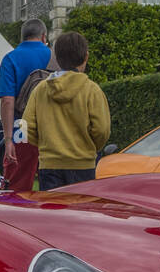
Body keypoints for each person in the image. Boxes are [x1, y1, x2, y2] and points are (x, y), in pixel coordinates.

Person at [22, 31, 111, 189]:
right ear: (86, 57)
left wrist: (45, 144)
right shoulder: (92, 90)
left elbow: (25, 128)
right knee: (80, 212)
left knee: (53, 213)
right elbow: (102, 130)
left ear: (56, 57)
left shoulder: (40, 90)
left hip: (49, 166)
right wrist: (89, 147)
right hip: (83, 165)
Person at [0, 18, 51, 191]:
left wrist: (8, 139)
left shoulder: (11, 58)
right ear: (44, 36)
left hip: (23, 126)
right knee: (54, 187)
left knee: (17, 186)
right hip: (54, 126)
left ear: (22, 38)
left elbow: (7, 100)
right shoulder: (54, 55)